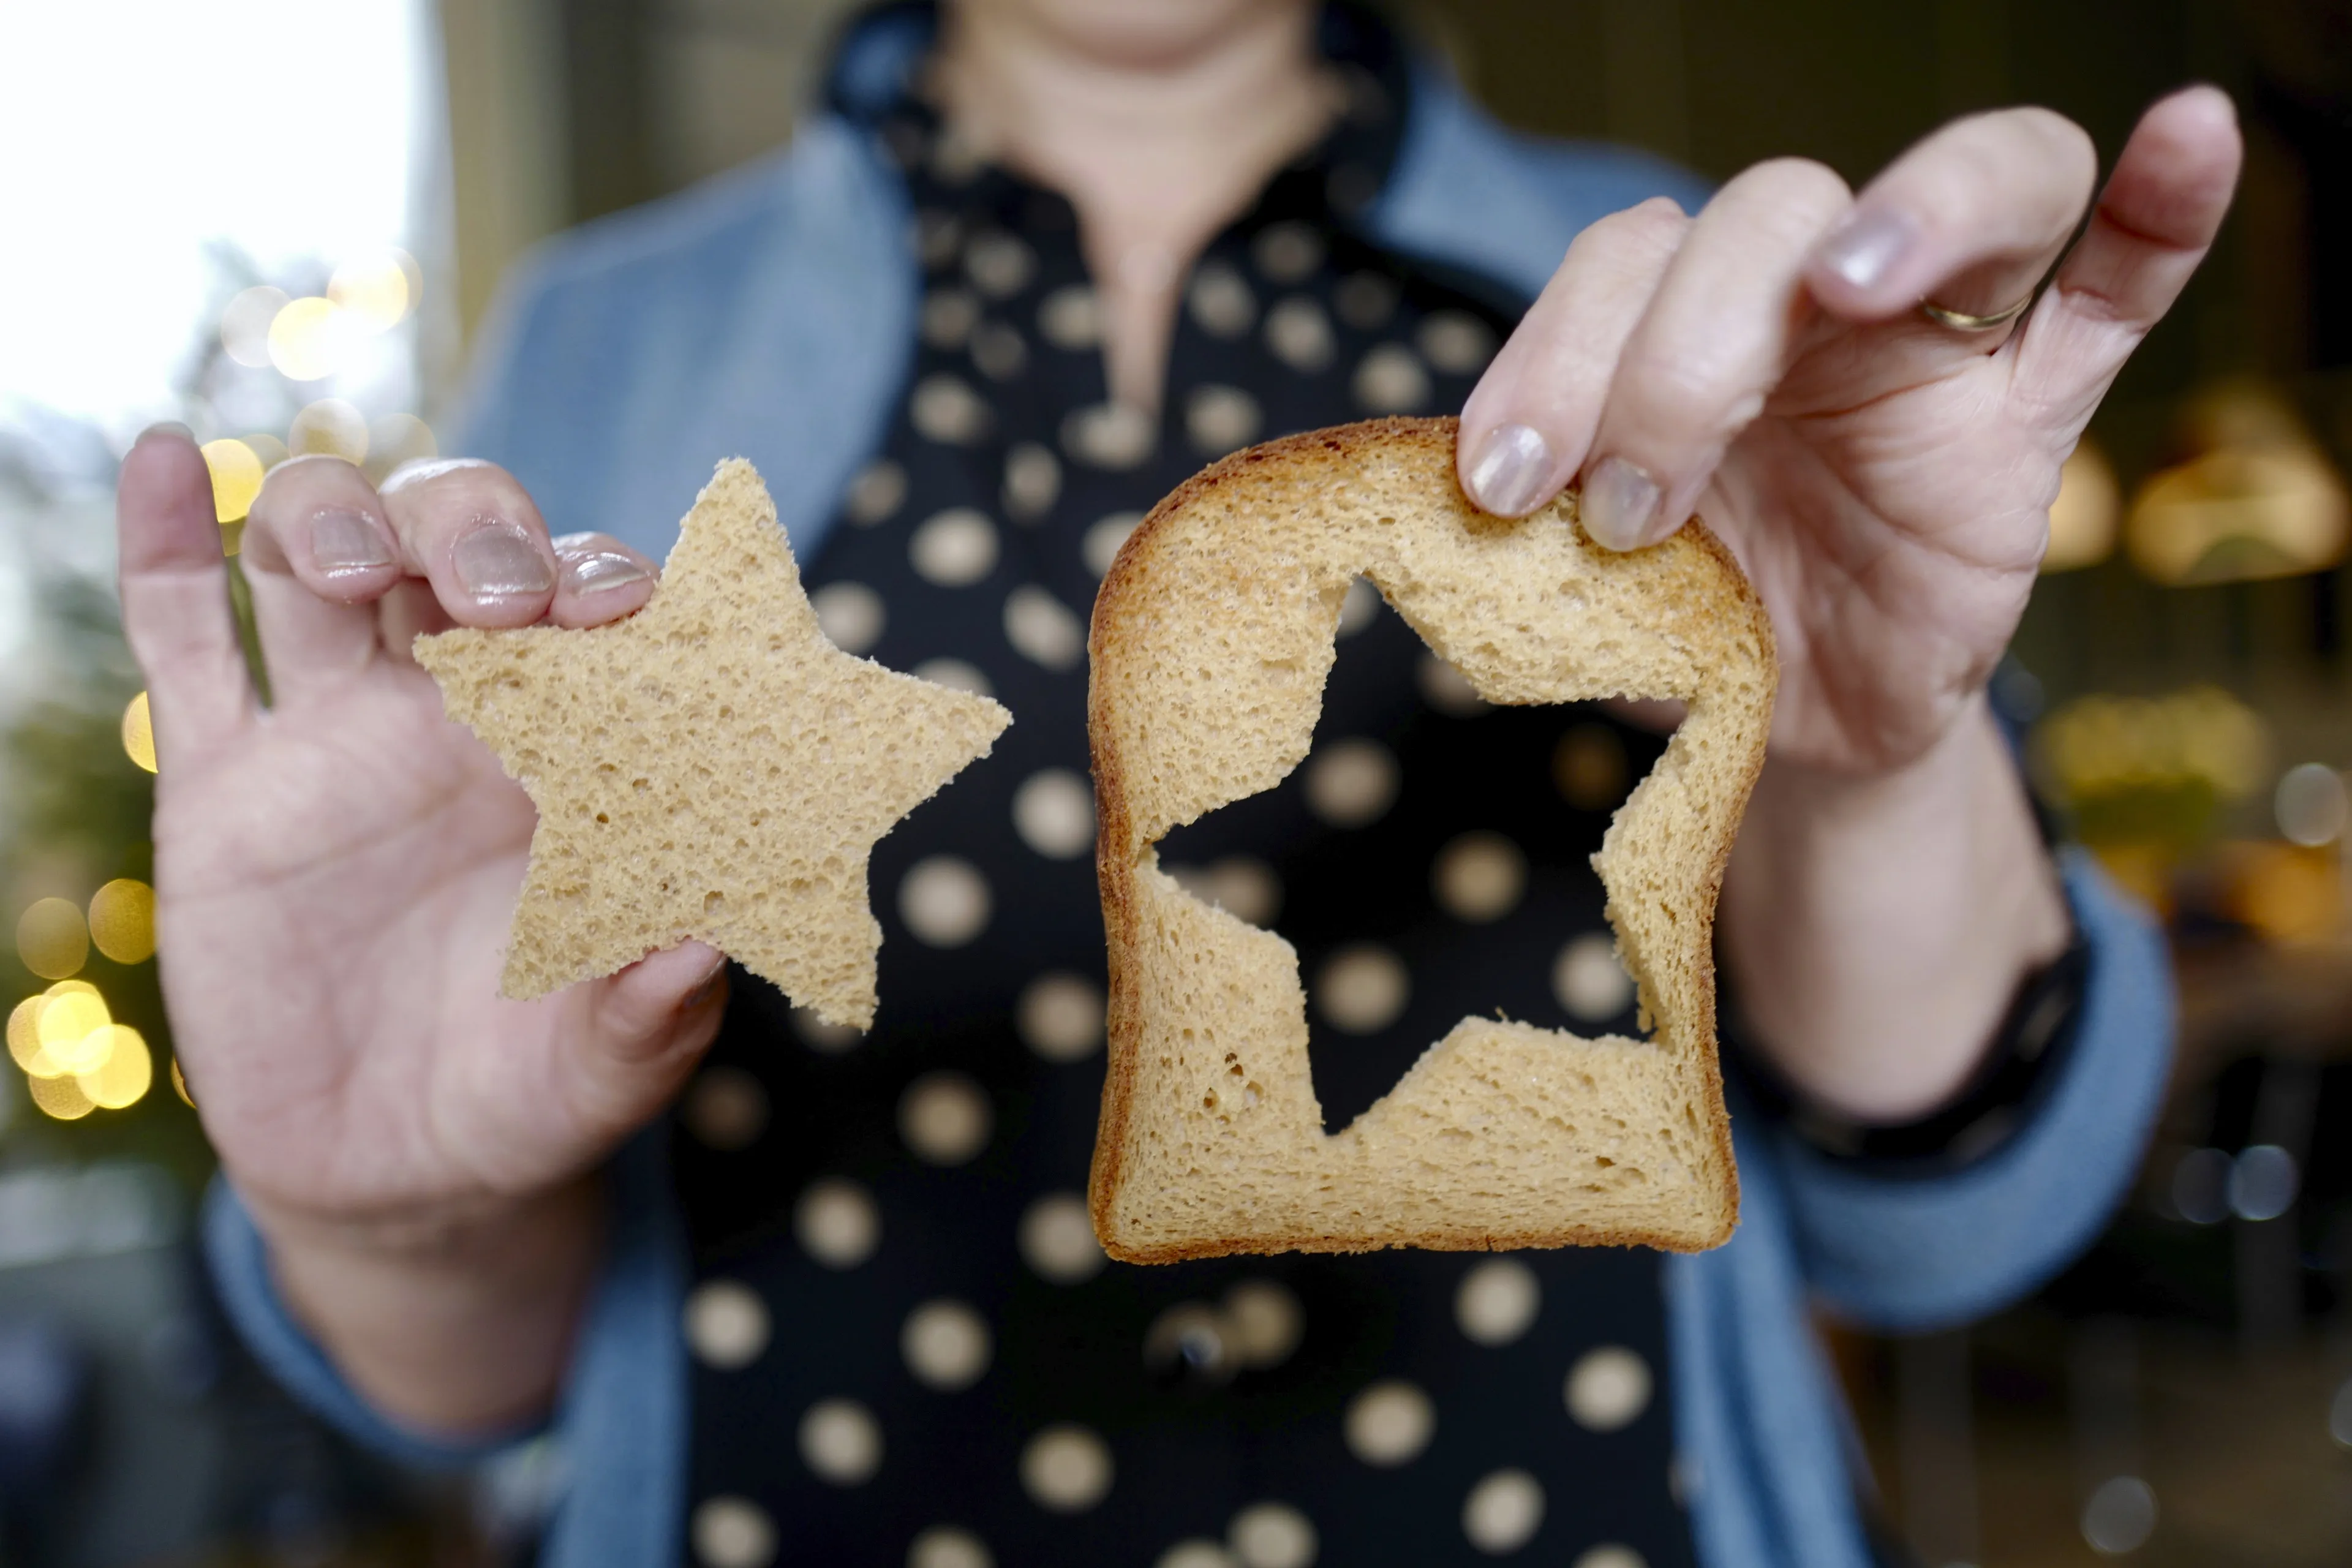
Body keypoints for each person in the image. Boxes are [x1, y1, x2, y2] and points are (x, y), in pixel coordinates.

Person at [115, 2, 2236, 1564]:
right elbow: (469, 1378)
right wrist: (395, 1225)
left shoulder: (1689, 288)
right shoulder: (601, 343)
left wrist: (1867, 763)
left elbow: (1952, 1228)